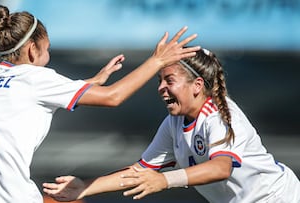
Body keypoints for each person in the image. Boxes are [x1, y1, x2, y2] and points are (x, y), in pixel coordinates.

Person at [0, 2, 201, 203]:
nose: (47, 56)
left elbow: (26, 95)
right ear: (31, 49)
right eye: (47, 49)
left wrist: (92, 81)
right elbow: (113, 97)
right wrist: (157, 61)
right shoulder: (35, 78)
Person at [43, 48, 300, 203]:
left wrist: (165, 180)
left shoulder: (220, 115)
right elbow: (141, 173)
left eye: (169, 80)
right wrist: (84, 187)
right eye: (159, 80)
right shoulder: (173, 123)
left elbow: (221, 168)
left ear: (197, 85)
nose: (161, 88)